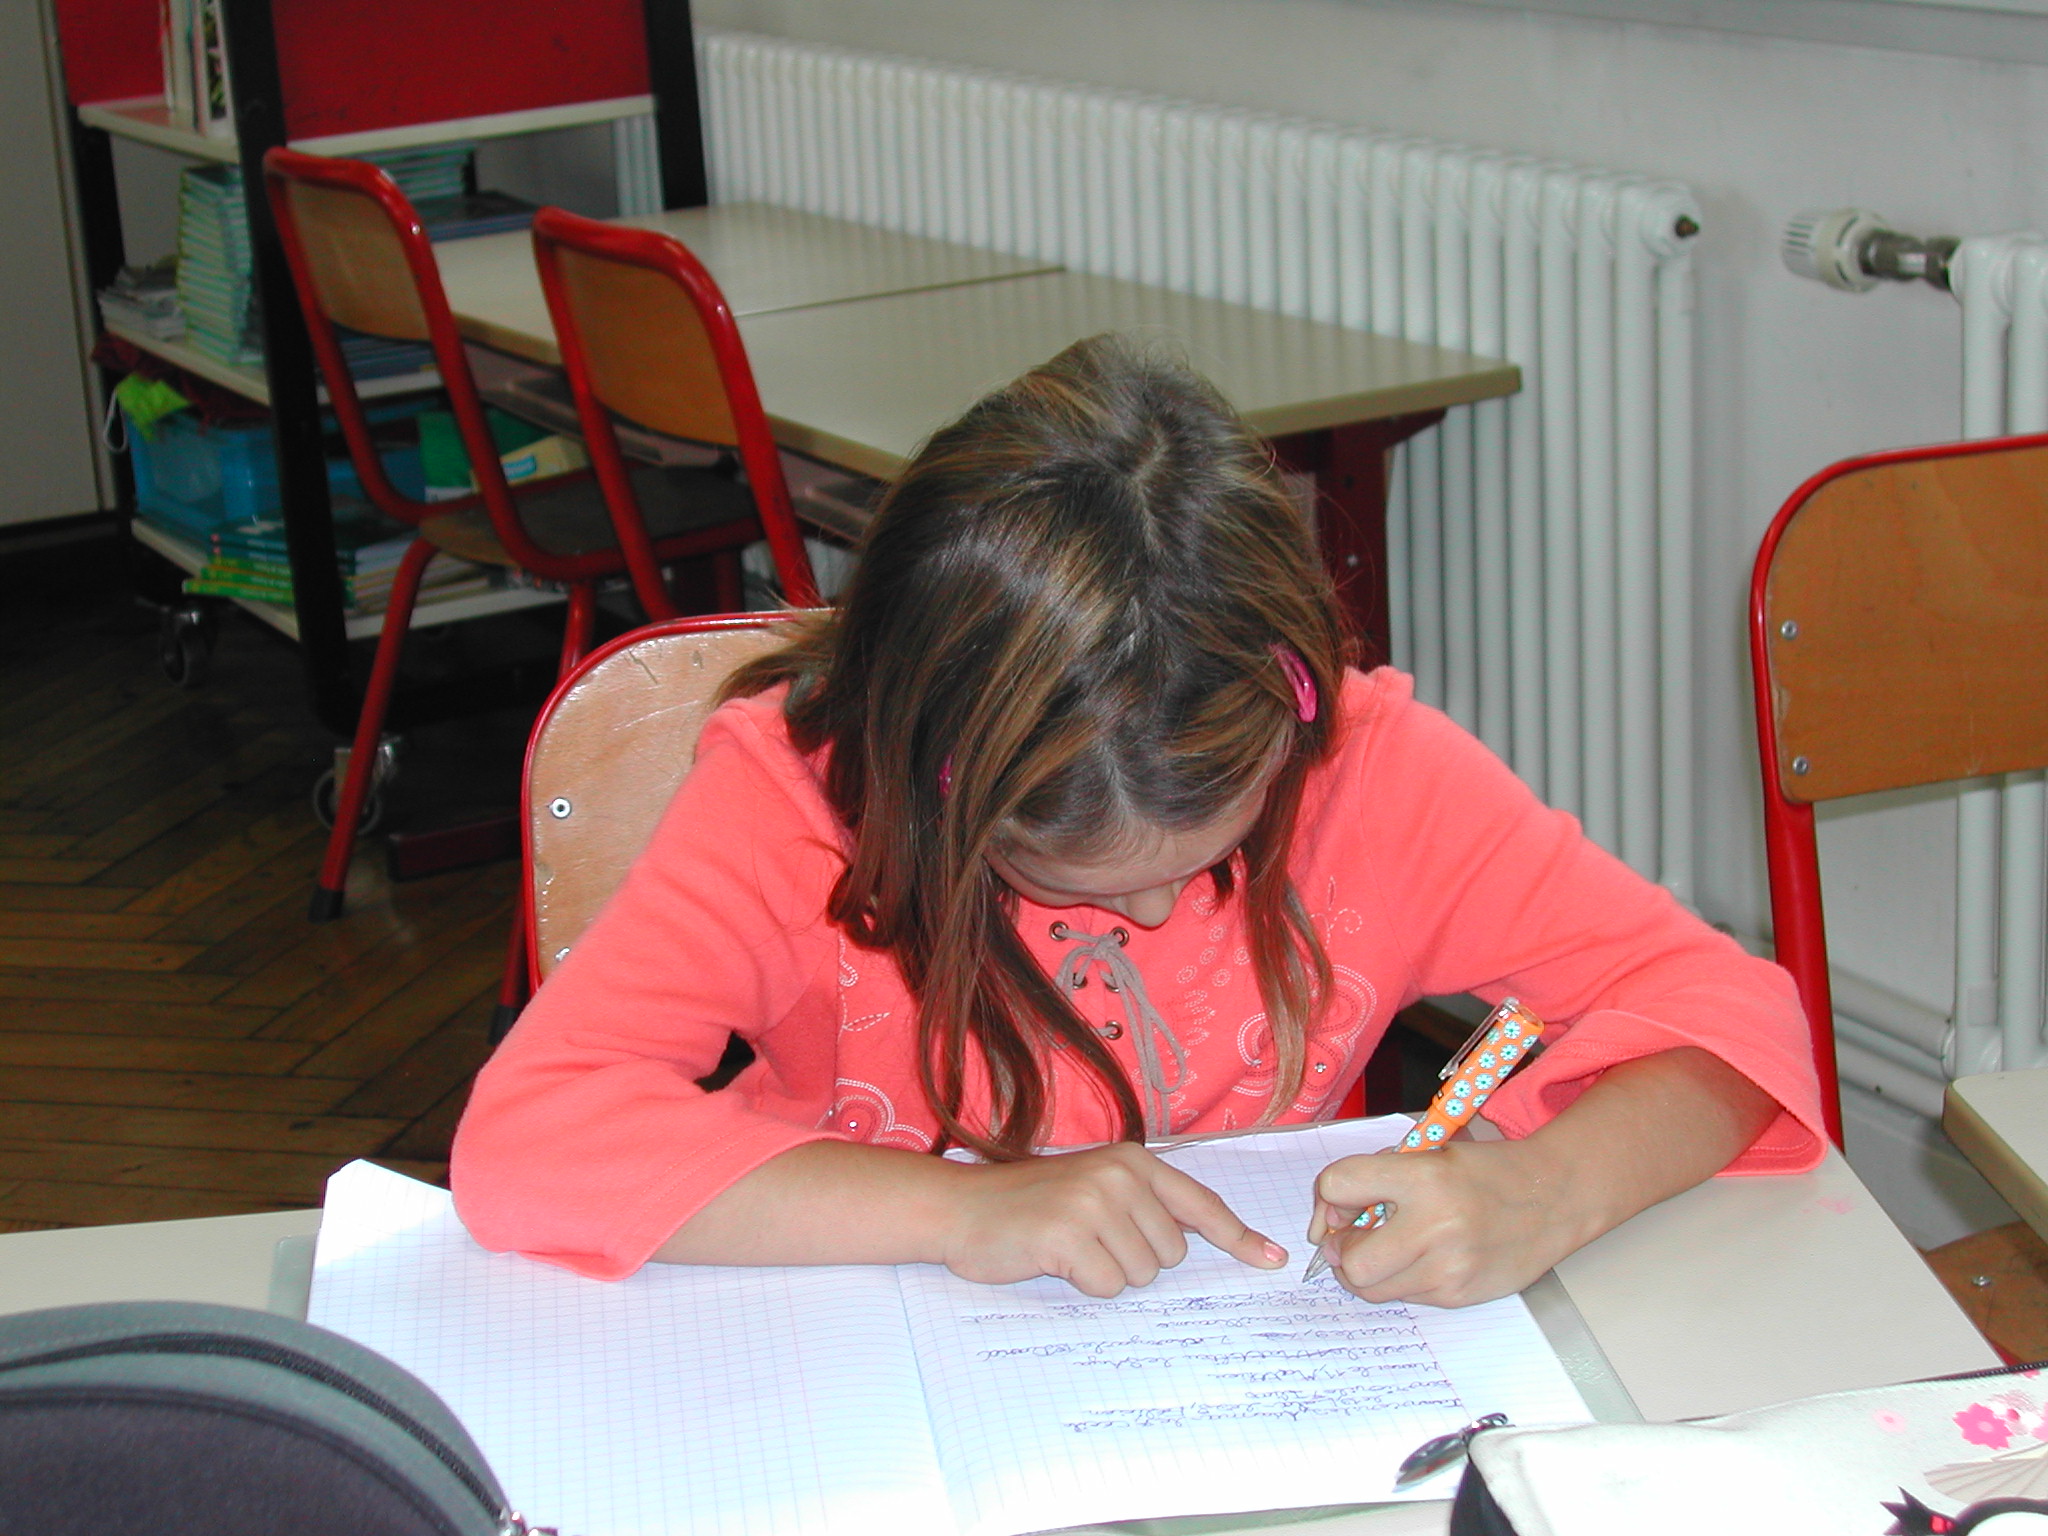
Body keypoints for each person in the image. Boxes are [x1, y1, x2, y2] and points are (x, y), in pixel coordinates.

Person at [451, 334, 1825, 1306]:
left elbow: (1730, 1013)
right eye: (1078, 881)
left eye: (1211, 851)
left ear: (1290, 710)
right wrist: (960, 1208)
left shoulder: (1373, 775)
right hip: (862, 1378)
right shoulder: (793, 809)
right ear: (930, 780)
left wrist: (1547, 1191)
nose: (1162, 912)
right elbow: (532, 1136)